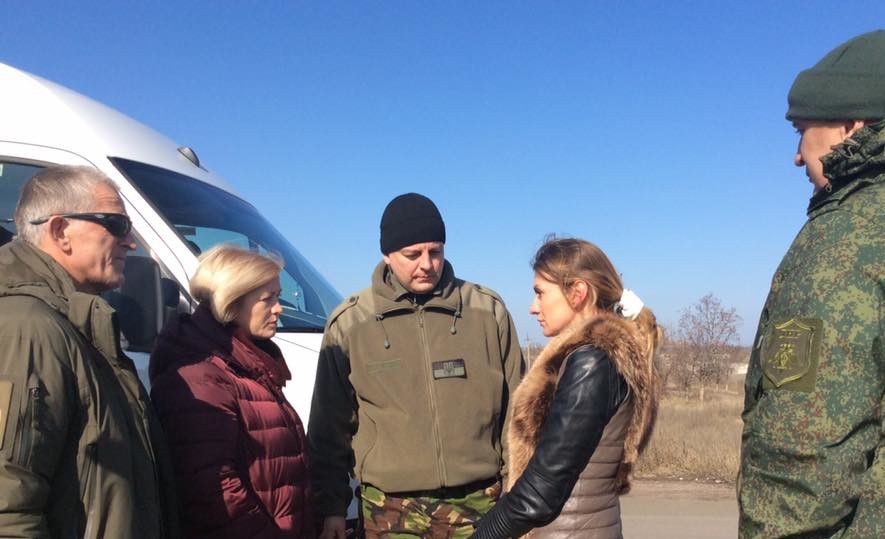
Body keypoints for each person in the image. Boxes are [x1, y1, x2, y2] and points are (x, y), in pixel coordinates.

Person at [738, 30, 885, 538]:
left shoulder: (856, 232)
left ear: (850, 126)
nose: (798, 155)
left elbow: (804, 444)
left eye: (802, 130)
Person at [309, 193, 524, 538]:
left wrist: (518, 490)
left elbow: (520, 413)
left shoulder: (487, 311)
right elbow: (328, 428)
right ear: (387, 255)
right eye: (412, 255)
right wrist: (331, 507)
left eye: (435, 251)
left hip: (479, 504)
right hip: (389, 511)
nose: (427, 264)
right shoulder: (351, 323)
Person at [0, 165, 178, 538]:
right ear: (60, 231)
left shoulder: (78, 322)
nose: (130, 242)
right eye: (116, 224)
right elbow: (9, 508)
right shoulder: (28, 327)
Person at [469, 237, 660, 539]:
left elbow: (541, 491)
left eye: (540, 293)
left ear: (577, 292)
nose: (533, 308)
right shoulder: (605, 357)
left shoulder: (592, 362)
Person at [149, 244, 314, 538]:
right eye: (268, 298)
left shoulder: (251, 367)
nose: (279, 308)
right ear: (232, 302)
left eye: (278, 296)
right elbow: (214, 493)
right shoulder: (202, 377)